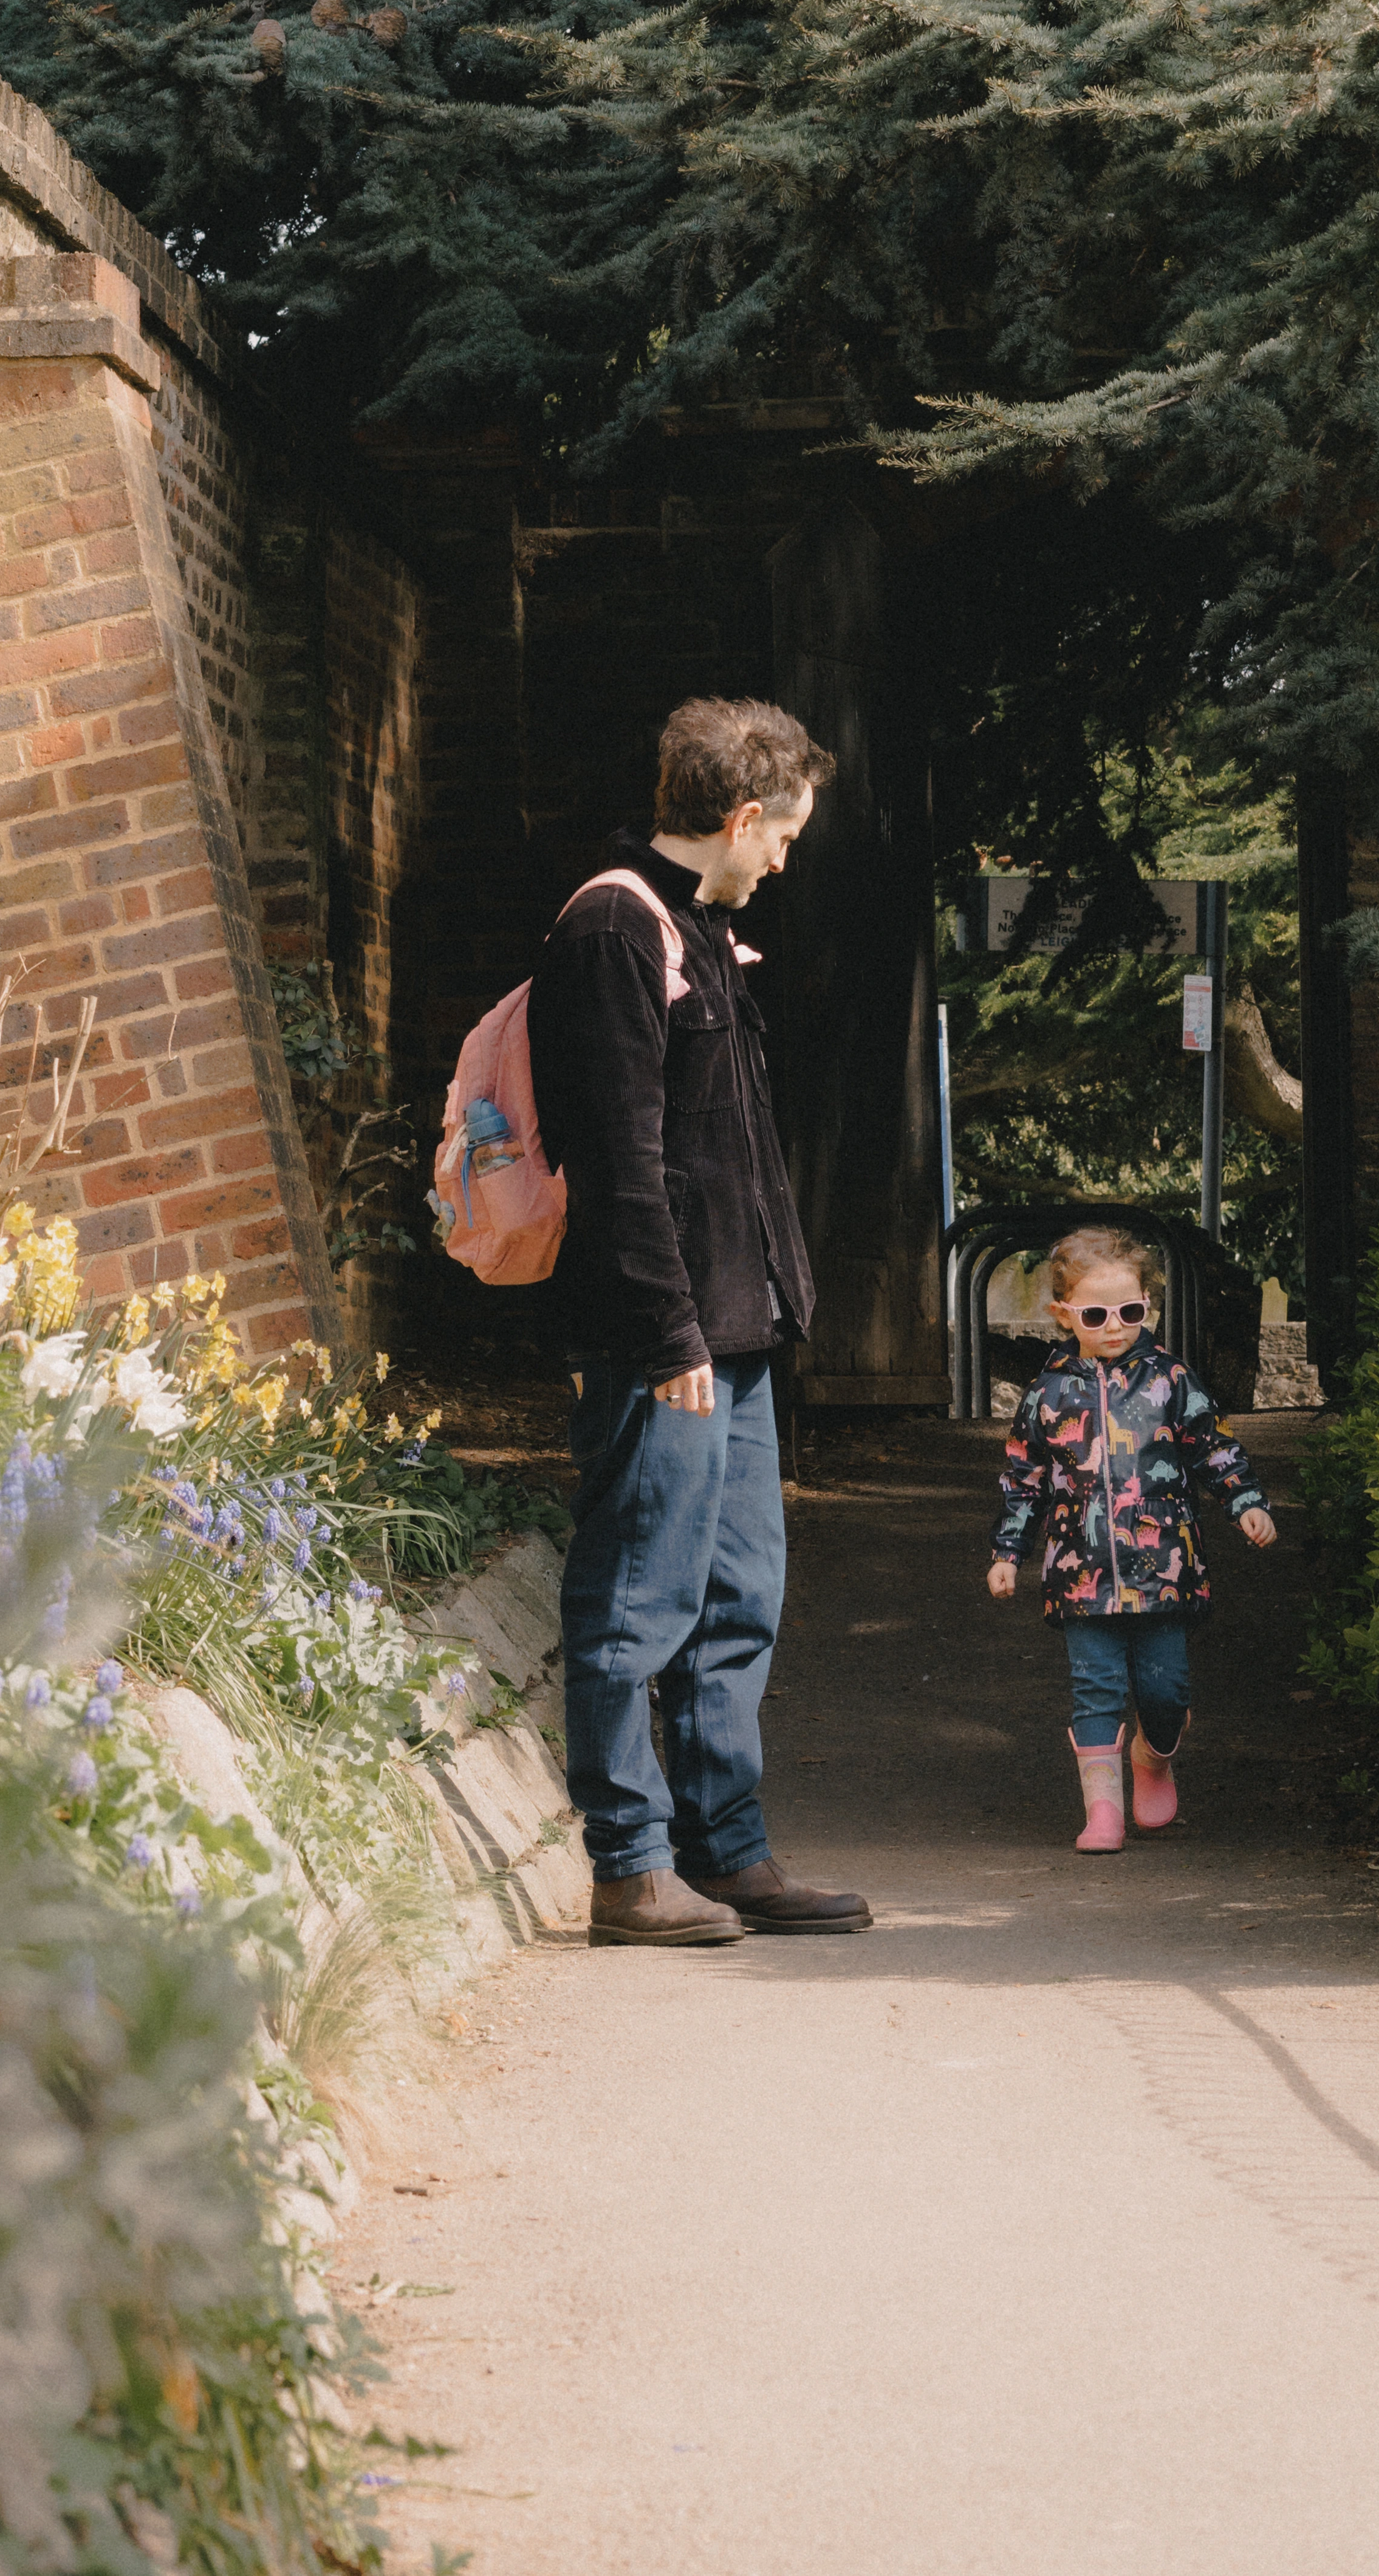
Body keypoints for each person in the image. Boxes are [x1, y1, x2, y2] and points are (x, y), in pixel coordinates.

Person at [529, 696, 872, 1946]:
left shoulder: (702, 926)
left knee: (738, 1598)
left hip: (730, 1329)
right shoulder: (617, 925)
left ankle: (727, 1850)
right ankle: (629, 1865)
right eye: (781, 833)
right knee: (636, 1594)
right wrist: (668, 1332)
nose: (783, 856)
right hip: (658, 1337)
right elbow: (620, 1160)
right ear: (737, 817)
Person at [985, 1224, 1276, 1852]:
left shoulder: (1172, 1379)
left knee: (1165, 1690)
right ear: (1064, 1314)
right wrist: (1009, 1551)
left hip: (1163, 1567)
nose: (1114, 1325)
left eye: (1131, 1310)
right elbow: (1024, 1476)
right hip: (1079, 1573)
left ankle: (1154, 1755)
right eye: (1095, 1313)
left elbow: (1214, 1446)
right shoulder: (1048, 1392)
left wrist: (1245, 1500)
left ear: (1150, 1304)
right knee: (1096, 1686)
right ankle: (1103, 1814)